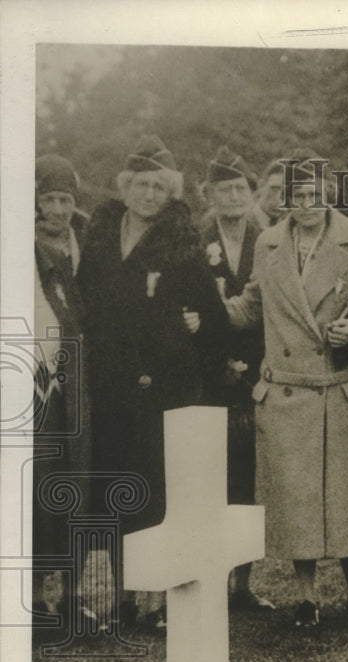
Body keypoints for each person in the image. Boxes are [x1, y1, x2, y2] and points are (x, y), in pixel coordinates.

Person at [223, 151, 348, 628]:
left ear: (330, 193)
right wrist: (209, 309)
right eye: (298, 195)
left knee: (347, 501)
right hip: (289, 393)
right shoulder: (269, 244)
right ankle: (306, 597)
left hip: (342, 390)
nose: (308, 203)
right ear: (283, 200)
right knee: (297, 502)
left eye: (316, 193)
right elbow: (253, 303)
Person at [77, 135, 231, 630]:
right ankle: (121, 598)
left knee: (160, 493)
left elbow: (213, 318)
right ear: (125, 188)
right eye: (142, 185)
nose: (150, 195)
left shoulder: (182, 242)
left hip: (164, 388)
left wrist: (195, 325)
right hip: (111, 386)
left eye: (159, 188)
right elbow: (85, 306)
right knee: (118, 490)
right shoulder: (100, 238)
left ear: (170, 192)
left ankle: (157, 602)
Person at [200, 145, 273, 613]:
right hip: (207, 374)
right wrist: (215, 362)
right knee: (210, 479)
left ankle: (242, 585)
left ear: (251, 192)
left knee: (249, 480)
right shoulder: (195, 238)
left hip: (258, 370)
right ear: (209, 194)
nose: (232, 196)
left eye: (239, 188)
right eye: (223, 189)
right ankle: (210, 577)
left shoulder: (268, 238)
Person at [33, 154, 91, 626]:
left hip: (86, 379)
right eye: (48, 198)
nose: (57, 208)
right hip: (37, 382)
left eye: (65, 199)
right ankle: (33, 597)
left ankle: (72, 596)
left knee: (82, 480)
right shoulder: (20, 246)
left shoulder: (88, 244)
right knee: (40, 483)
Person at [250, 159, 286, 230]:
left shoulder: (288, 226)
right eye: (274, 189)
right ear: (260, 186)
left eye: (286, 192)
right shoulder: (244, 222)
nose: (278, 199)